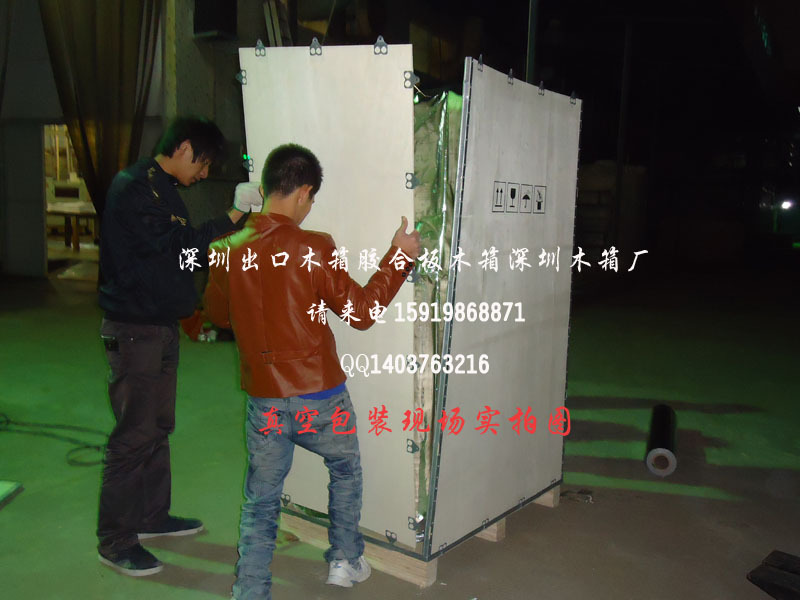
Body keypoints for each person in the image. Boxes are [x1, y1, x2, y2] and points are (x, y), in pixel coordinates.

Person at [202, 143, 421, 599]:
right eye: (312, 198)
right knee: (345, 470)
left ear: (264, 188)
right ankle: (344, 561)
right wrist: (400, 256)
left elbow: (219, 316)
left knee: (260, 501)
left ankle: (250, 589)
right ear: (303, 192)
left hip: (264, 399)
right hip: (320, 397)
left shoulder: (225, 249)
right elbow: (362, 312)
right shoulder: (314, 247)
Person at [96, 117, 261, 576]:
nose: (203, 174)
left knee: (156, 427)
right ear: (185, 148)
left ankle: (151, 517)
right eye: (203, 164)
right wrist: (232, 217)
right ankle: (115, 540)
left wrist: (229, 243)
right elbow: (179, 246)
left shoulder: (164, 190)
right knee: (133, 434)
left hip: (160, 325)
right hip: (135, 329)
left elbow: (185, 258)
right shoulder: (133, 188)